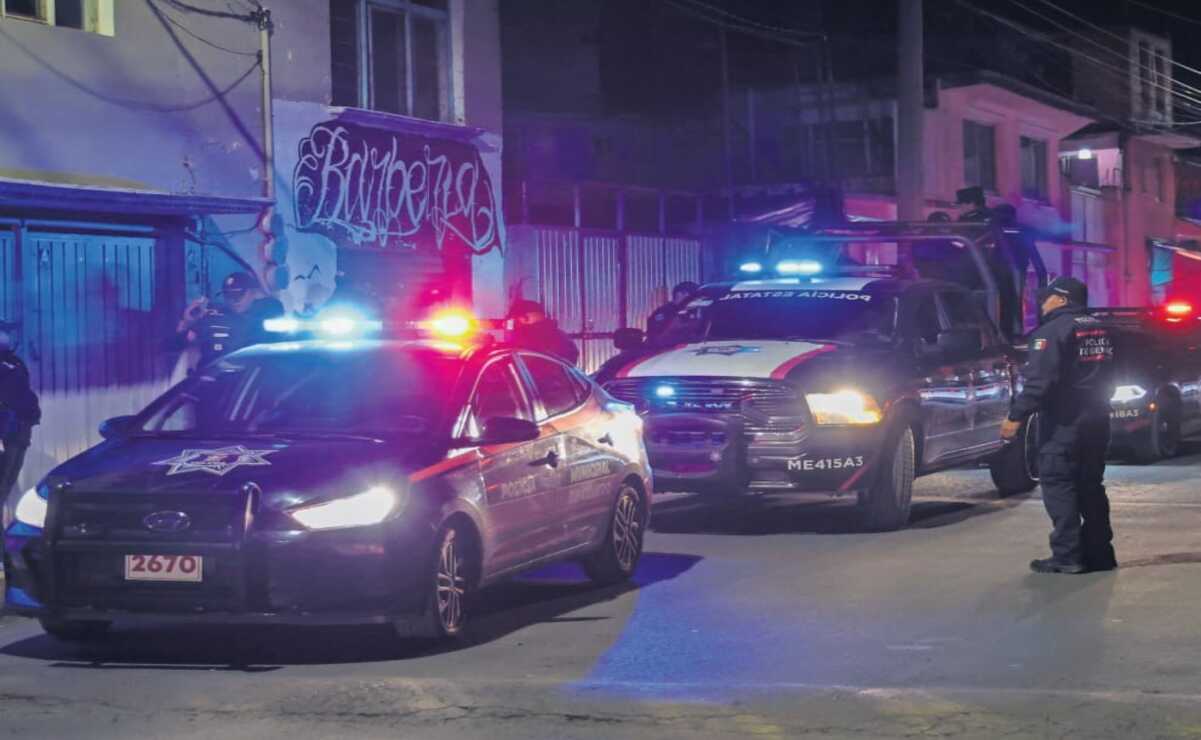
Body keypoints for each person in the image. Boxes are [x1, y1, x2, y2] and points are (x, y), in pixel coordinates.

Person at [1001, 276, 1117, 574]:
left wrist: (1016, 416)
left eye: (1047, 298)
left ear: (1062, 299)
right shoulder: (1102, 327)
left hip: (1064, 421)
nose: (1042, 303)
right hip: (1097, 418)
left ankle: (1067, 555)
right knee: (1091, 484)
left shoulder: (1052, 331)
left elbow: (1041, 381)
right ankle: (1100, 554)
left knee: (1059, 483)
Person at [170, 271, 286, 370]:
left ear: (253, 293)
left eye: (239, 295)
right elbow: (174, 345)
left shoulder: (267, 312)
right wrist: (187, 323)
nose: (233, 300)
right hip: (213, 381)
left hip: (250, 384)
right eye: (228, 295)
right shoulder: (213, 316)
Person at [0, 321, 40, 517]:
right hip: (5, 434)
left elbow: (23, 392)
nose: (6, 337)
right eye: (3, 332)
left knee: (7, 483)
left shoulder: (15, 362)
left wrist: (32, 414)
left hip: (19, 432)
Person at [507, 299, 579, 366]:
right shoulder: (559, 336)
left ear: (525, 318)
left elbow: (522, 362)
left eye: (515, 321)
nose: (514, 326)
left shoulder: (532, 338)